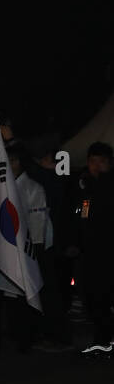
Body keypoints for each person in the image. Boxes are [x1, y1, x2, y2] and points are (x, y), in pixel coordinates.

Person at [0, 141, 47, 353]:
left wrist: (35, 246)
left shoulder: (32, 188)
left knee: (20, 299)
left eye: (14, 160)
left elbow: (37, 221)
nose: (10, 164)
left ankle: (23, 339)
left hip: (19, 251)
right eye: (7, 160)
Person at [73, 141, 113, 355]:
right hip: (88, 254)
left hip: (107, 253)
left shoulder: (105, 186)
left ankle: (104, 341)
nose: (97, 166)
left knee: (102, 299)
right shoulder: (83, 185)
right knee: (92, 298)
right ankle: (102, 339)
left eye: (102, 162)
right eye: (93, 161)